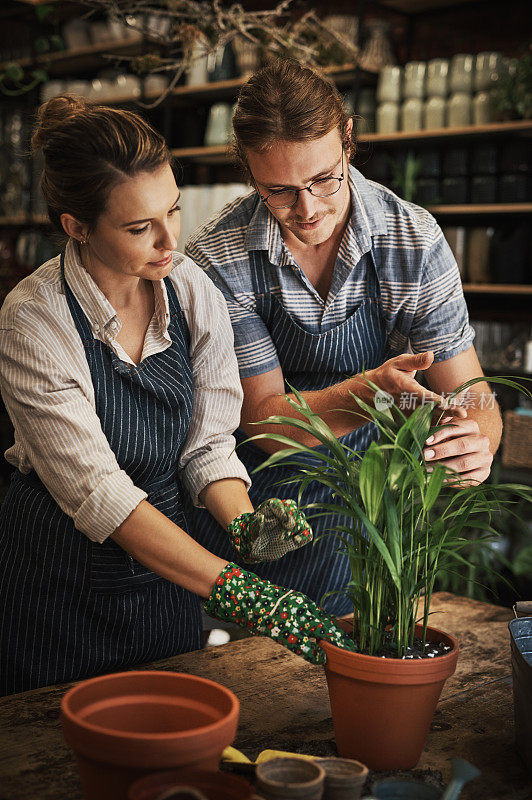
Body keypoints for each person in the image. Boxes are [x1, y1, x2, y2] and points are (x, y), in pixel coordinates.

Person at [0, 96, 354, 696]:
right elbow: (102, 495)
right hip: (60, 583)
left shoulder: (189, 291)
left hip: (170, 579)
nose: (171, 240)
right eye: (140, 228)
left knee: (172, 728)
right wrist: (245, 593)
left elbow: (206, 449)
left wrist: (246, 527)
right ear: (77, 226)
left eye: (174, 211)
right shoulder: (34, 321)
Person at [186, 59, 502, 615]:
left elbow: (472, 392)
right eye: (278, 191)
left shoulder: (412, 241)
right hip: (261, 501)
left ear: (349, 141)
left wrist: (478, 439)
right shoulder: (220, 257)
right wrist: (369, 394)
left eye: (323, 179)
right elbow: (262, 420)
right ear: (247, 172)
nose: (306, 210)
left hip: (378, 503)